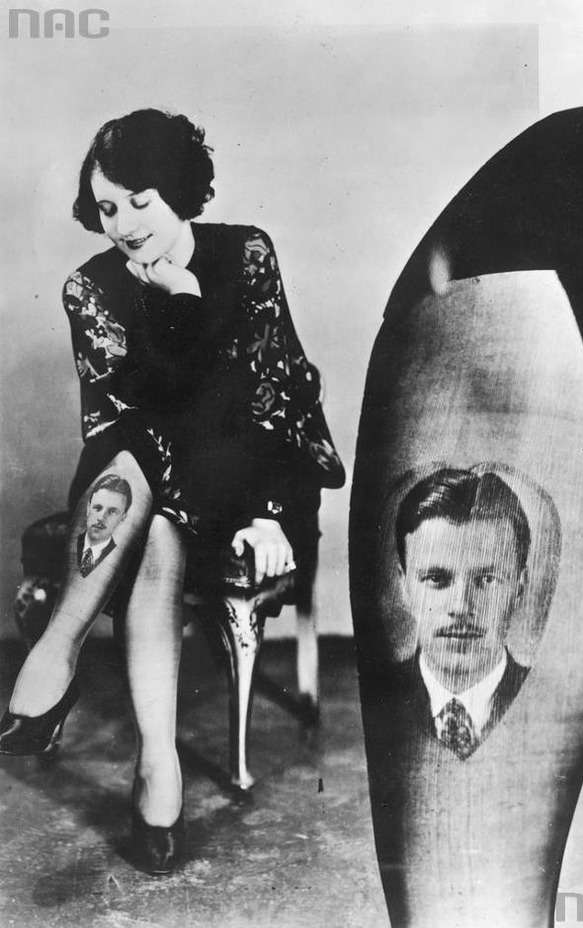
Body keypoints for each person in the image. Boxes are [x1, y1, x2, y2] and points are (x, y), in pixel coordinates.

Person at [0, 108, 345, 873]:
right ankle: (159, 764)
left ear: (181, 190)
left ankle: (54, 660)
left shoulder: (245, 254)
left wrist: (271, 511)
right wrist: (171, 307)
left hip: (241, 472)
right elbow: (119, 415)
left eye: (140, 200)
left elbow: (277, 393)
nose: (122, 224)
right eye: (107, 207)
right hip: (138, 475)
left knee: (159, 457)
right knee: (151, 510)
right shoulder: (90, 288)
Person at [395, 467, 530, 757]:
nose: (461, 607)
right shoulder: (378, 697)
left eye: (487, 580)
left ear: (519, 589)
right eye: (436, 579)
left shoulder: (551, 700)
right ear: (404, 586)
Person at [78, 473, 133, 576]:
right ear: (88, 508)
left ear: (123, 517)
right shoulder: (65, 542)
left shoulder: (125, 561)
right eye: (98, 508)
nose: (101, 518)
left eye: (112, 512)